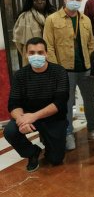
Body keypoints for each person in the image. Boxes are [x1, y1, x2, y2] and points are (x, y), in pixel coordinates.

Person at [43, 0, 94, 151]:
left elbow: (91, 42)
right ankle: (68, 133)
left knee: (90, 100)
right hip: (64, 70)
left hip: (85, 68)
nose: (74, 2)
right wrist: (55, 68)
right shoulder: (52, 19)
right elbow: (48, 46)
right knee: (67, 103)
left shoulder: (85, 19)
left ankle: (92, 128)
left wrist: (89, 59)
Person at [4, 37, 69, 172]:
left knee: (56, 159)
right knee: (10, 131)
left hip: (54, 119)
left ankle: (50, 141)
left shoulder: (59, 72)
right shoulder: (20, 75)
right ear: (26, 54)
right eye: (32, 53)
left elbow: (59, 103)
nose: (36, 56)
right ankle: (32, 152)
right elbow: (13, 103)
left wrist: (33, 116)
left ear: (46, 54)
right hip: (28, 118)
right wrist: (21, 120)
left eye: (40, 52)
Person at [13, 0, 56, 66]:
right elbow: (18, 42)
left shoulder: (53, 15)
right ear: (31, 1)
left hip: (52, 54)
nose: (40, 2)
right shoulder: (24, 17)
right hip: (33, 57)